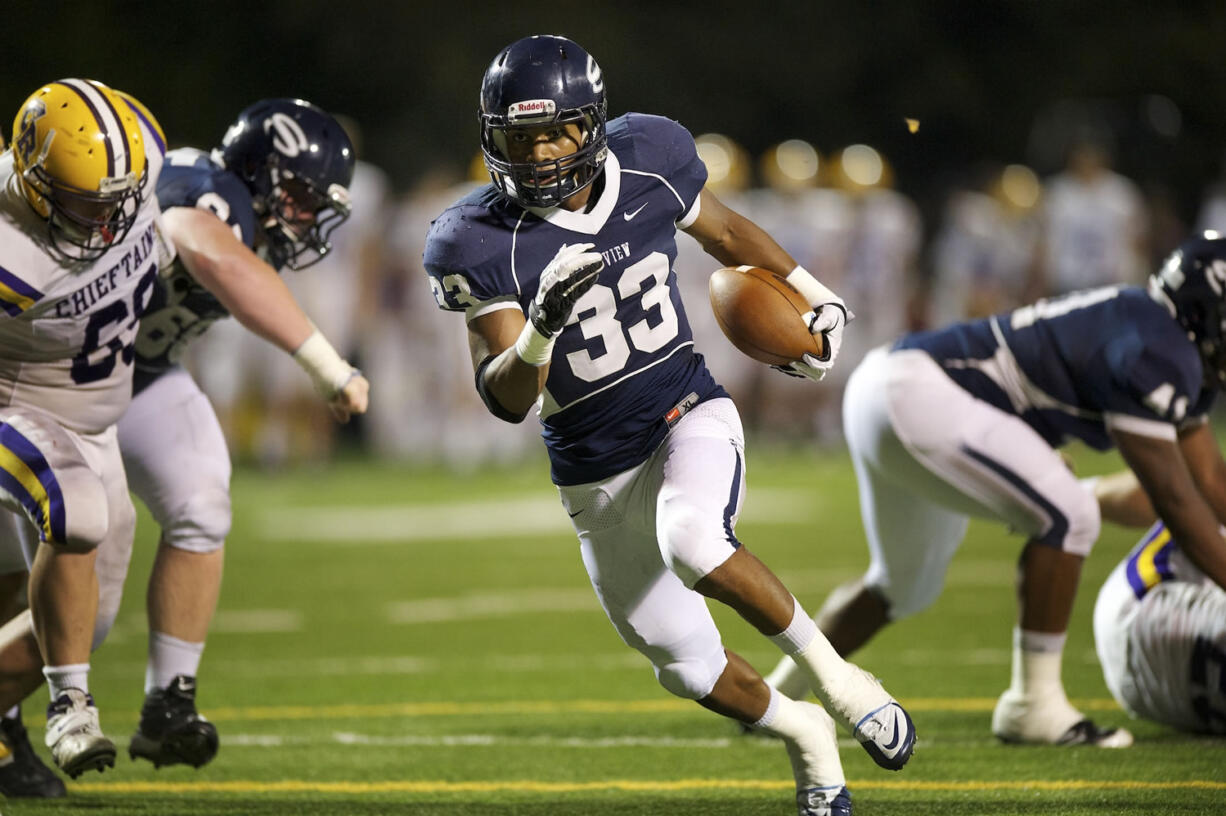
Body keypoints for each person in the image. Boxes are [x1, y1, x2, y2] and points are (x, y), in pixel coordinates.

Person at [424, 35, 914, 816]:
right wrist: (540, 331)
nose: (542, 154)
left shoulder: (651, 153)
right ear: (494, 140)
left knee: (693, 536)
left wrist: (810, 291)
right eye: (522, 138)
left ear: (593, 125)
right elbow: (507, 397)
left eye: (556, 132)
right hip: (592, 465)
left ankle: (845, 683)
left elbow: (723, 233)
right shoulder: (474, 239)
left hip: (684, 407)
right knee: (683, 664)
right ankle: (807, 733)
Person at [0, 96, 369, 791]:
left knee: (200, 493)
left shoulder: (194, 183)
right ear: (258, 171)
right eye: (294, 195)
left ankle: (170, 701)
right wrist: (327, 364)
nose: (300, 217)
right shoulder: (210, 194)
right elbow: (206, 248)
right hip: (46, 388)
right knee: (68, 606)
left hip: (133, 374)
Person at [764, 231, 1226, 748]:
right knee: (1068, 515)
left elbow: (1209, 482)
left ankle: (776, 699)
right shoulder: (1157, 346)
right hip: (920, 394)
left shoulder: (1160, 336)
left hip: (896, 389)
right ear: (1206, 306)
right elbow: (1178, 501)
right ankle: (1034, 705)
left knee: (902, 585)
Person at [0, 78, 167, 780]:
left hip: (94, 418)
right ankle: (72, 705)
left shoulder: (140, 174)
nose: (108, 219)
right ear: (35, 184)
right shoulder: (10, 248)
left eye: (117, 201)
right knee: (78, 508)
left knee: (80, 621)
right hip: (15, 405)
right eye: (83, 202)